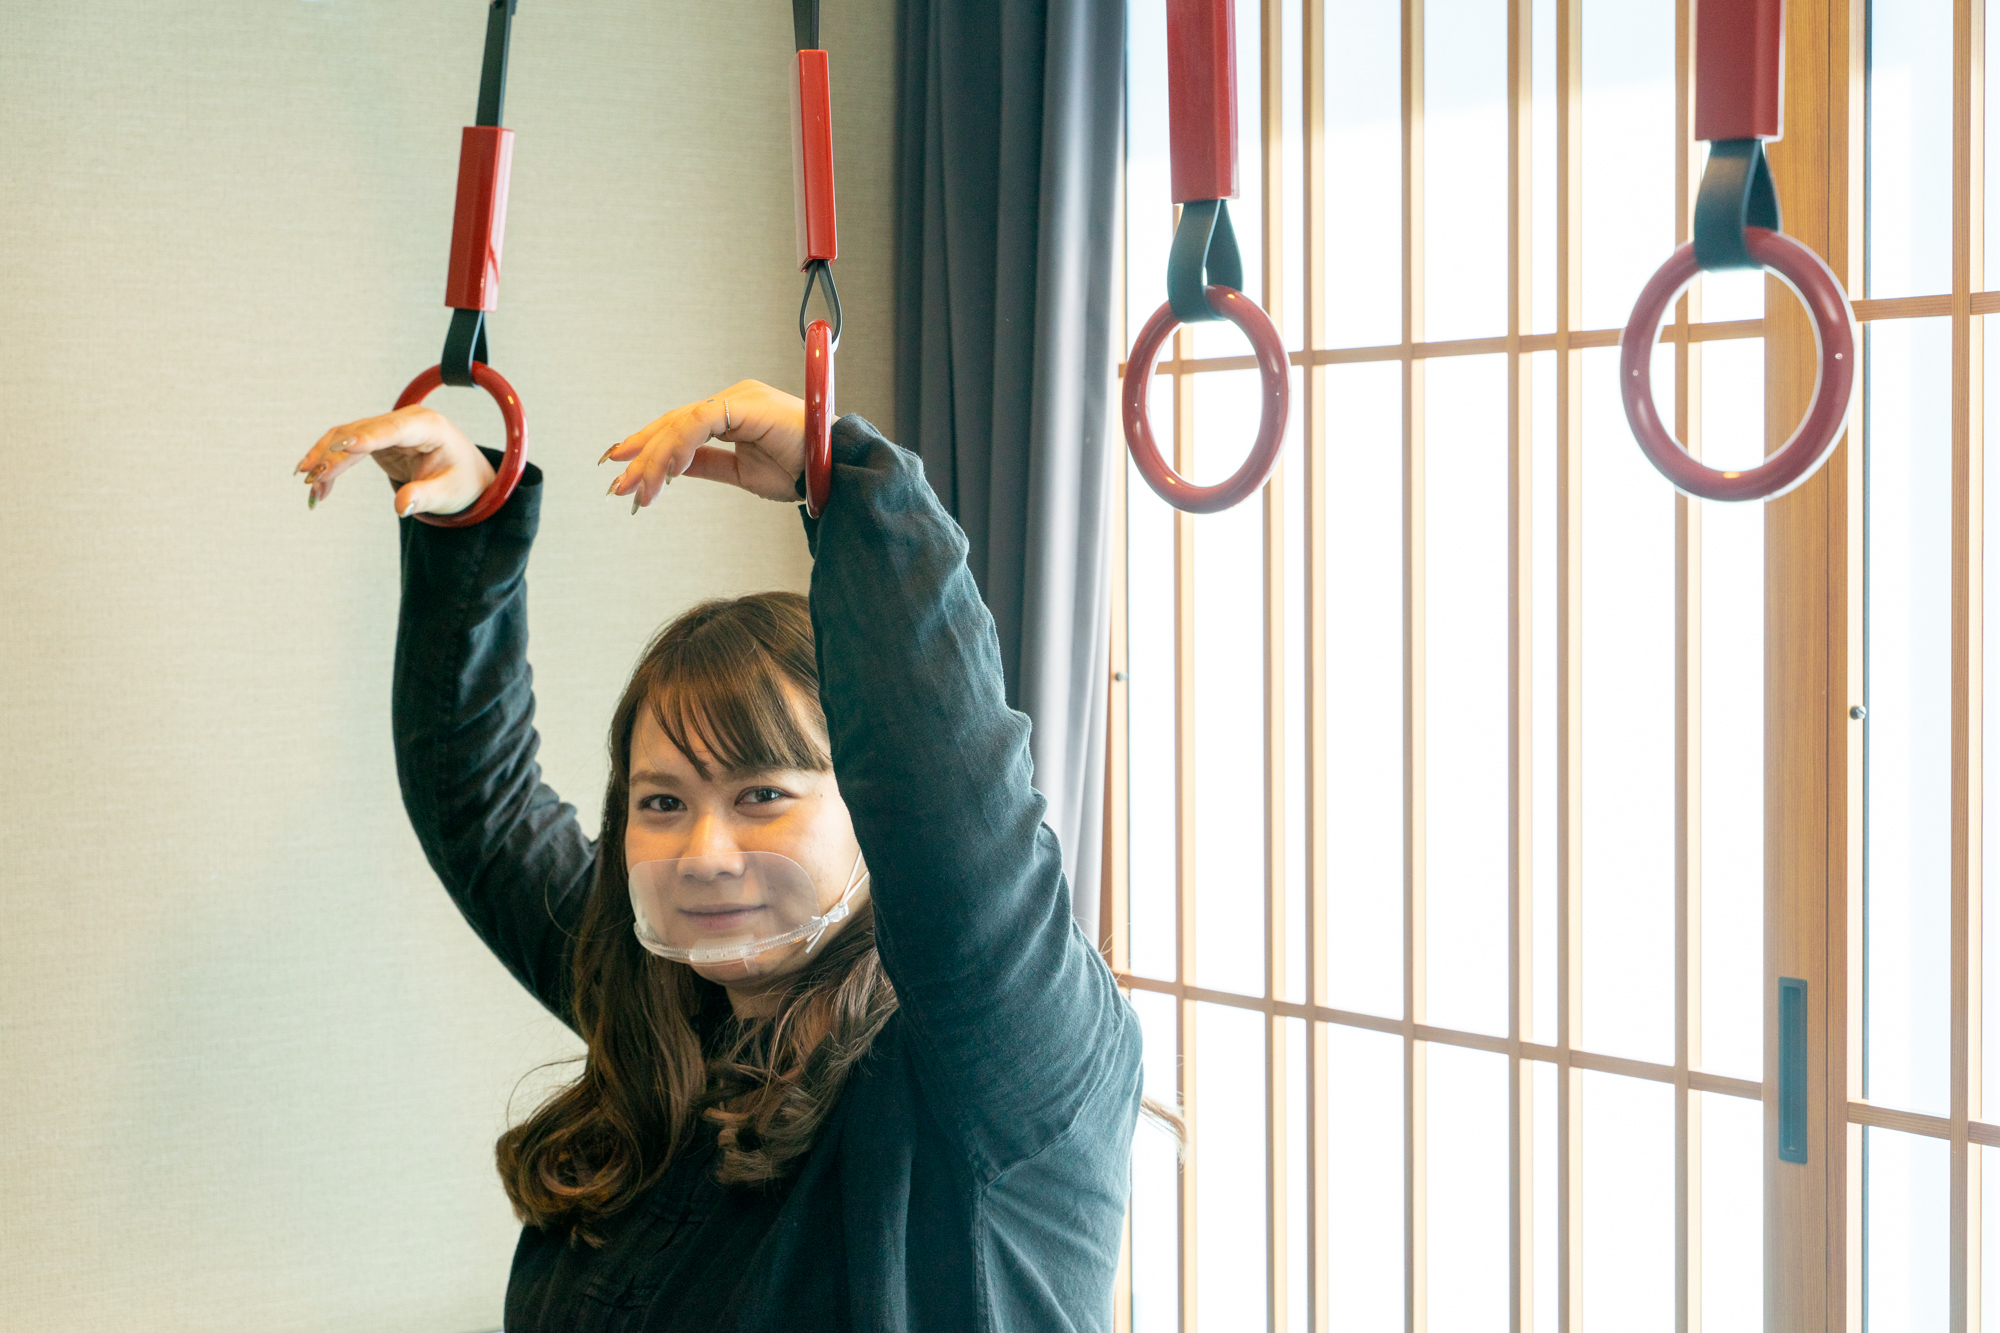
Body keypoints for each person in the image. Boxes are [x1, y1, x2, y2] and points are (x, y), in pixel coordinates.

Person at [292, 383, 1145, 1331]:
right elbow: (482, 810)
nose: (704, 854)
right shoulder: (666, 1006)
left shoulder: (996, 1071)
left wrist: (847, 485)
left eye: (762, 795)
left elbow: (949, 800)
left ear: (870, 808)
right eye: (662, 802)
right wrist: (470, 530)